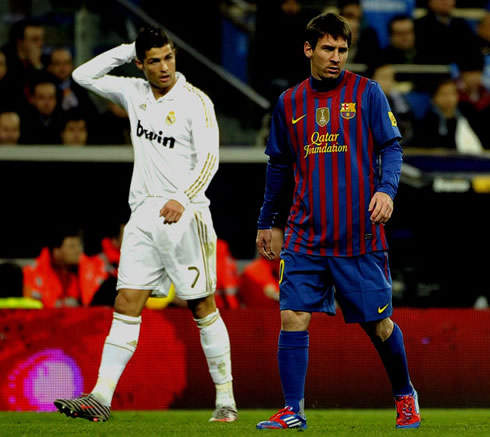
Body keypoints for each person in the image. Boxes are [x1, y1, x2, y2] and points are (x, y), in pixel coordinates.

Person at [53, 26, 237, 423]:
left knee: (202, 305)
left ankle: (226, 400)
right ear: (141, 64)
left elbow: (210, 160)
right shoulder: (133, 92)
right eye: (153, 60)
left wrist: (181, 198)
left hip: (186, 215)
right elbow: (83, 76)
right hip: (143, 217)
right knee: (126, 303)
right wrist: (125, 49)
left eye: (168, 57)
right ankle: (101, 396)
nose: (164, 66)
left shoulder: (195, 102)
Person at [254, 13, 420, 430]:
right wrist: (265, 220)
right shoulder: (289, 102)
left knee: (378, 325)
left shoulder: (368, 93)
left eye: (342, 50)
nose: (336, 57)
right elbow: (278, 167)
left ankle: (404, 395)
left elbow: (393, 149)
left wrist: (387, 189)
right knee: (293, 315)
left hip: (358, 238)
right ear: (308, 49)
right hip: (305, 235)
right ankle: (293, 409)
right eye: (328, 49)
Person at [411, 77, 483, 153]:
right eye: (444, 94)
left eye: (453, 94)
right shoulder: (426, 123)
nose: (449, 98)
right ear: (433, 98)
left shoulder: (469, 117)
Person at [239, 226, 283, 309]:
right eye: (271, 241)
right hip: (260, 318)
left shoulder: (290, 267)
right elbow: (272, 292)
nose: (276, 244)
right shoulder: (253, 270)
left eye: (279, 240)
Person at [20, 76, 63, 144]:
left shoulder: (63, 121)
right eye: (41, 98)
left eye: (51, 98)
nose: (47, 103)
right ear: (32, 99)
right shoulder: (24, 122)